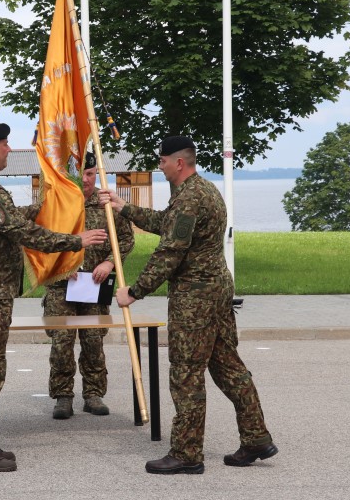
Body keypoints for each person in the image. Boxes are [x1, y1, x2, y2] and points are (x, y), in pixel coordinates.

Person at [99, 136, 276, 475]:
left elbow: (170, 251)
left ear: (178, 162)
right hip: (216, 291)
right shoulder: (203, 190)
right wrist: (124, 207)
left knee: (186, 372)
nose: (160, 165)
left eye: (163, 160)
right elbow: (166, 224)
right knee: (228, 366)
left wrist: (134, 291)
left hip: (196, 299)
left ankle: (187, 453)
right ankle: (256, 437)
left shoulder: (189, 198)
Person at [0, 121, 108, 473]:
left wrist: (44, 206)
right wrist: (76, 241)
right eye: (5, 144)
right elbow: (21, 231)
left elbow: (9, 219)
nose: (9, 150)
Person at [44, 151, 133, 420]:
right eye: (80, 173)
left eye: (90, 174)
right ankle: (63, 396)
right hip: (62, 286)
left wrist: (109, 263)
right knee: (62, 342)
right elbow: (39, 241)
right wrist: (62, 264)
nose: (85, 179)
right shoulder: (56, 202)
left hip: (95, 284)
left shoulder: (106, 204)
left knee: (93, 342)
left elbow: (125, 240)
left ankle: (93, 394)